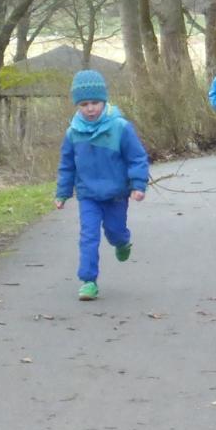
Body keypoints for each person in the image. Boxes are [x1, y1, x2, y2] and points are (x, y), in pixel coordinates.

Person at [53, 69, 149, 301]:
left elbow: (137, 157)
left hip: (116, 193)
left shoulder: (120, 127)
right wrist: (63, 192)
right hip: (88, 195)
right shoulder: (73, 132)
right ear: (77, 106)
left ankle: (122, 241)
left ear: (103, 101)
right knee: (88, 236)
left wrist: (138, 184)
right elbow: (66, 165)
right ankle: (88, 281)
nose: (90, 108)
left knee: (115, 232)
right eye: (84, 104)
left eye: (95, 102)